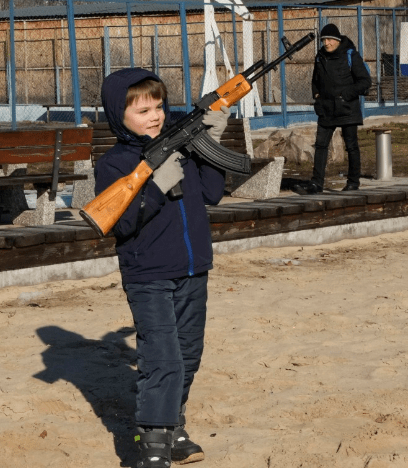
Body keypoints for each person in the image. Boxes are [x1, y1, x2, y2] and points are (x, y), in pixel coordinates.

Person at [94, 68, 230, 468]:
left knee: (188, 356)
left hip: (193, 267)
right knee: (162, 360)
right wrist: (154, 184)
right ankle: (152, 445)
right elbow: (120, 224)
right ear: (120, 117)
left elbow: (212, 193)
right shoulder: (115, 164)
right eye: (142, 111)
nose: (154, 116)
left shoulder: (182, 147)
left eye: (158, 106)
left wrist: (210, 142)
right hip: (148, 274)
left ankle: (173, 426)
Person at [293, 23, 371, 195]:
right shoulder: (320, 57)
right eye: (323, 40)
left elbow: (365, 81)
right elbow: (315, 81)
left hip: (347, 108)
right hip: (326, 109)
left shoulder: (350, 54)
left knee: (351, 146)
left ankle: (353, 182)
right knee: (321, 146)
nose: (326, 43)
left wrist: (346, 94)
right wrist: (317, 96)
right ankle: (316, 183)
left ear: (337, 40)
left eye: (329, 39)